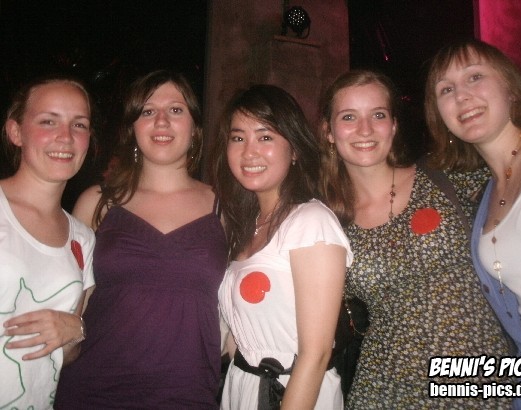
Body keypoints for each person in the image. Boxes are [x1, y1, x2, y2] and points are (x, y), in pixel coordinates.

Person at [319, 69, 513, 409]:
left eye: (378, 115)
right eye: (349, 117)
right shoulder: (330, 222)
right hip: (385, 388)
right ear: (329, 132)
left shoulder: (446, 178)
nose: (365, 129)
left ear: (394, 125)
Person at [54, 70, 228, 408]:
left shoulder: (225, 208)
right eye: (148, 111)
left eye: (175, 110)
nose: (161, 121)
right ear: (133, 127)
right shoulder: (97, 203)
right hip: (93, 392)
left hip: (187, 395)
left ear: (195, 127)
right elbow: (69, 303)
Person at [211, 84, 353, 409]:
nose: (249, 152)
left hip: (293, 394)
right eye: (238, 138)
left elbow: (315, 356)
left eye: (265, 137)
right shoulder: (243, 227)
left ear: (295, 150)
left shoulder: (311, 222)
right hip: (243, 387)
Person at [425, 39, 521, 409]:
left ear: (511, 87)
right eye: (446, 90)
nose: (462, 96)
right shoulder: (486, 195)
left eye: (475, 77)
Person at [0, 76, 95, 409]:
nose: (65, 137)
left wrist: (76, 329)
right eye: (48, 121)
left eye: (79, 124)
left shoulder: (82, 238)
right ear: (16, 132)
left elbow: (65, 354)